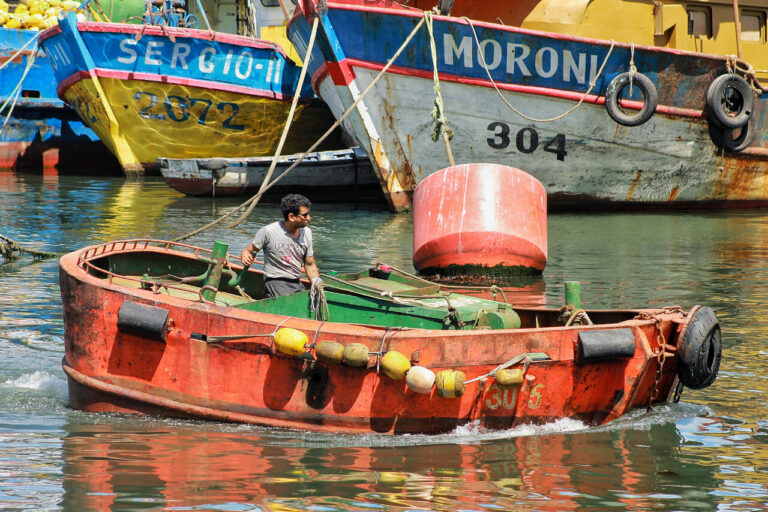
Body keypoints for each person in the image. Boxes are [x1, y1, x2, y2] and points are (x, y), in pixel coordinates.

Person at [240, 194, 321, 298]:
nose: (309, 218)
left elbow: (309, 264)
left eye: (308, 214)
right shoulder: (268, 232)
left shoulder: (307, 233)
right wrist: (245, 254)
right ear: (291, 217)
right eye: (305, 215)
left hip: (296, 282)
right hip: (275, 282)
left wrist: (316, 281)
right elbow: (248, 250)